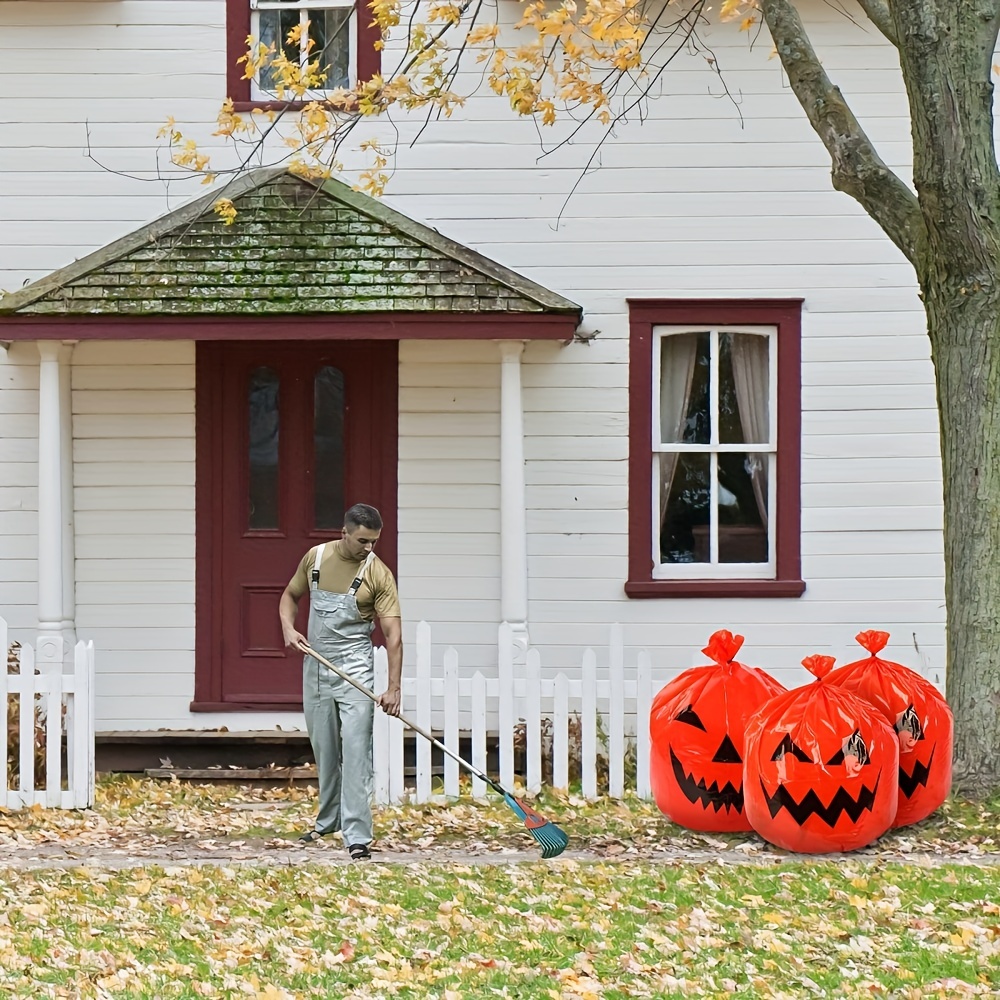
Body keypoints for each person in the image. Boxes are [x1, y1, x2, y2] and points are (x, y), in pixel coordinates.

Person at [279, 502, 402, 860]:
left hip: (355, 671)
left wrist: (393, 688)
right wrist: (289, 628)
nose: (369, 548)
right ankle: (327, 820)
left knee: (355, 751)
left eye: (374, 541)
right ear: (343, 532)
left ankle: (357, 835)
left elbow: (393, 635)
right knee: (326, 749)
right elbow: (290, 596)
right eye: (362, 540)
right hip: (316, 667)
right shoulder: (315, 558)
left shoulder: (379, 575)